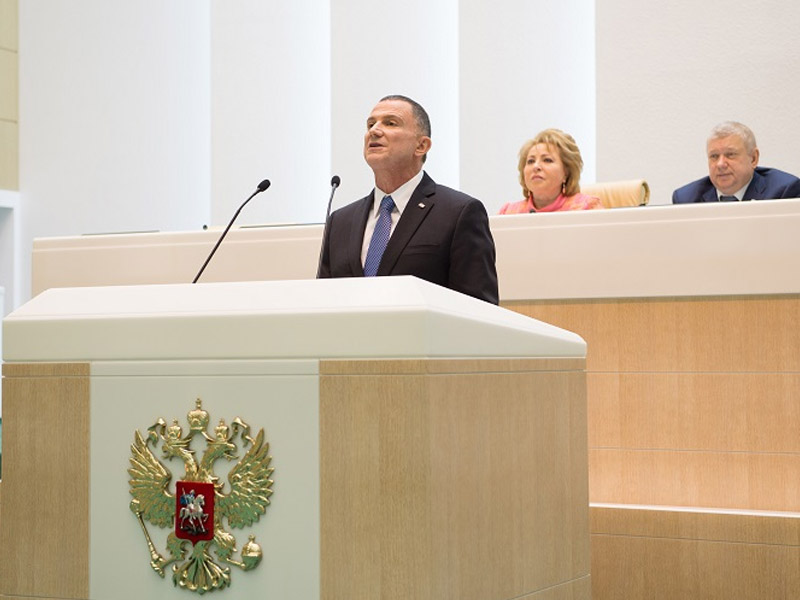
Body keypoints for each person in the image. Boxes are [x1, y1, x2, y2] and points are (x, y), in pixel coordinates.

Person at [318, 95, 499, 304]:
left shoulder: (458, 213)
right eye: (370, 124)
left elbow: (478, 307)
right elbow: (325, 302)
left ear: (421, 146)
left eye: (390, 123)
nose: (374, 131)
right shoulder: (340, 221)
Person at [672, 121, 800, 203]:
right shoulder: (686, 199)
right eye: (714, 156)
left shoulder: (784, 193)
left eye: (730, 154)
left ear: (753, 158)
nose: (720, 164)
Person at [499, 129, 602, 214]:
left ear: (566, 172)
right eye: (530, 161)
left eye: (547, 160)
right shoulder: (508, 212)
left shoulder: (587, 208)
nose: (536, 166)